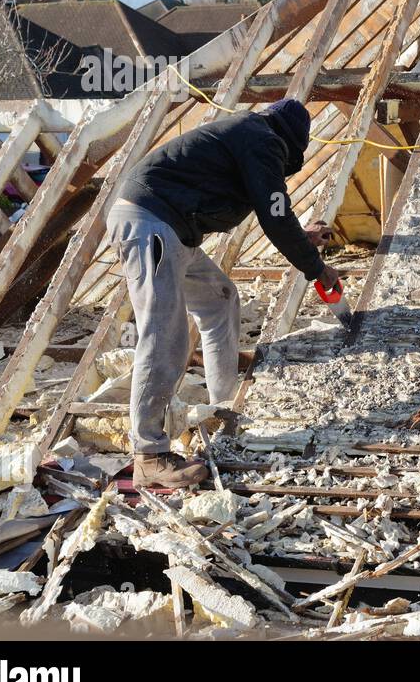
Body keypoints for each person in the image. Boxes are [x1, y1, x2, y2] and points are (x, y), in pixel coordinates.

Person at [107, 99, 339, 489]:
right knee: (164, 334)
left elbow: (275, 209)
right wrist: (316, 266)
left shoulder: (249, 135)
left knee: (220, 299)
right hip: (152, 224)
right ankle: (149, 454)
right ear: (292, 144)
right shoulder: (263, 139)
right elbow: (275, 213)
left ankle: (221, 407)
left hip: (170, 229)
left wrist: (302, 237)